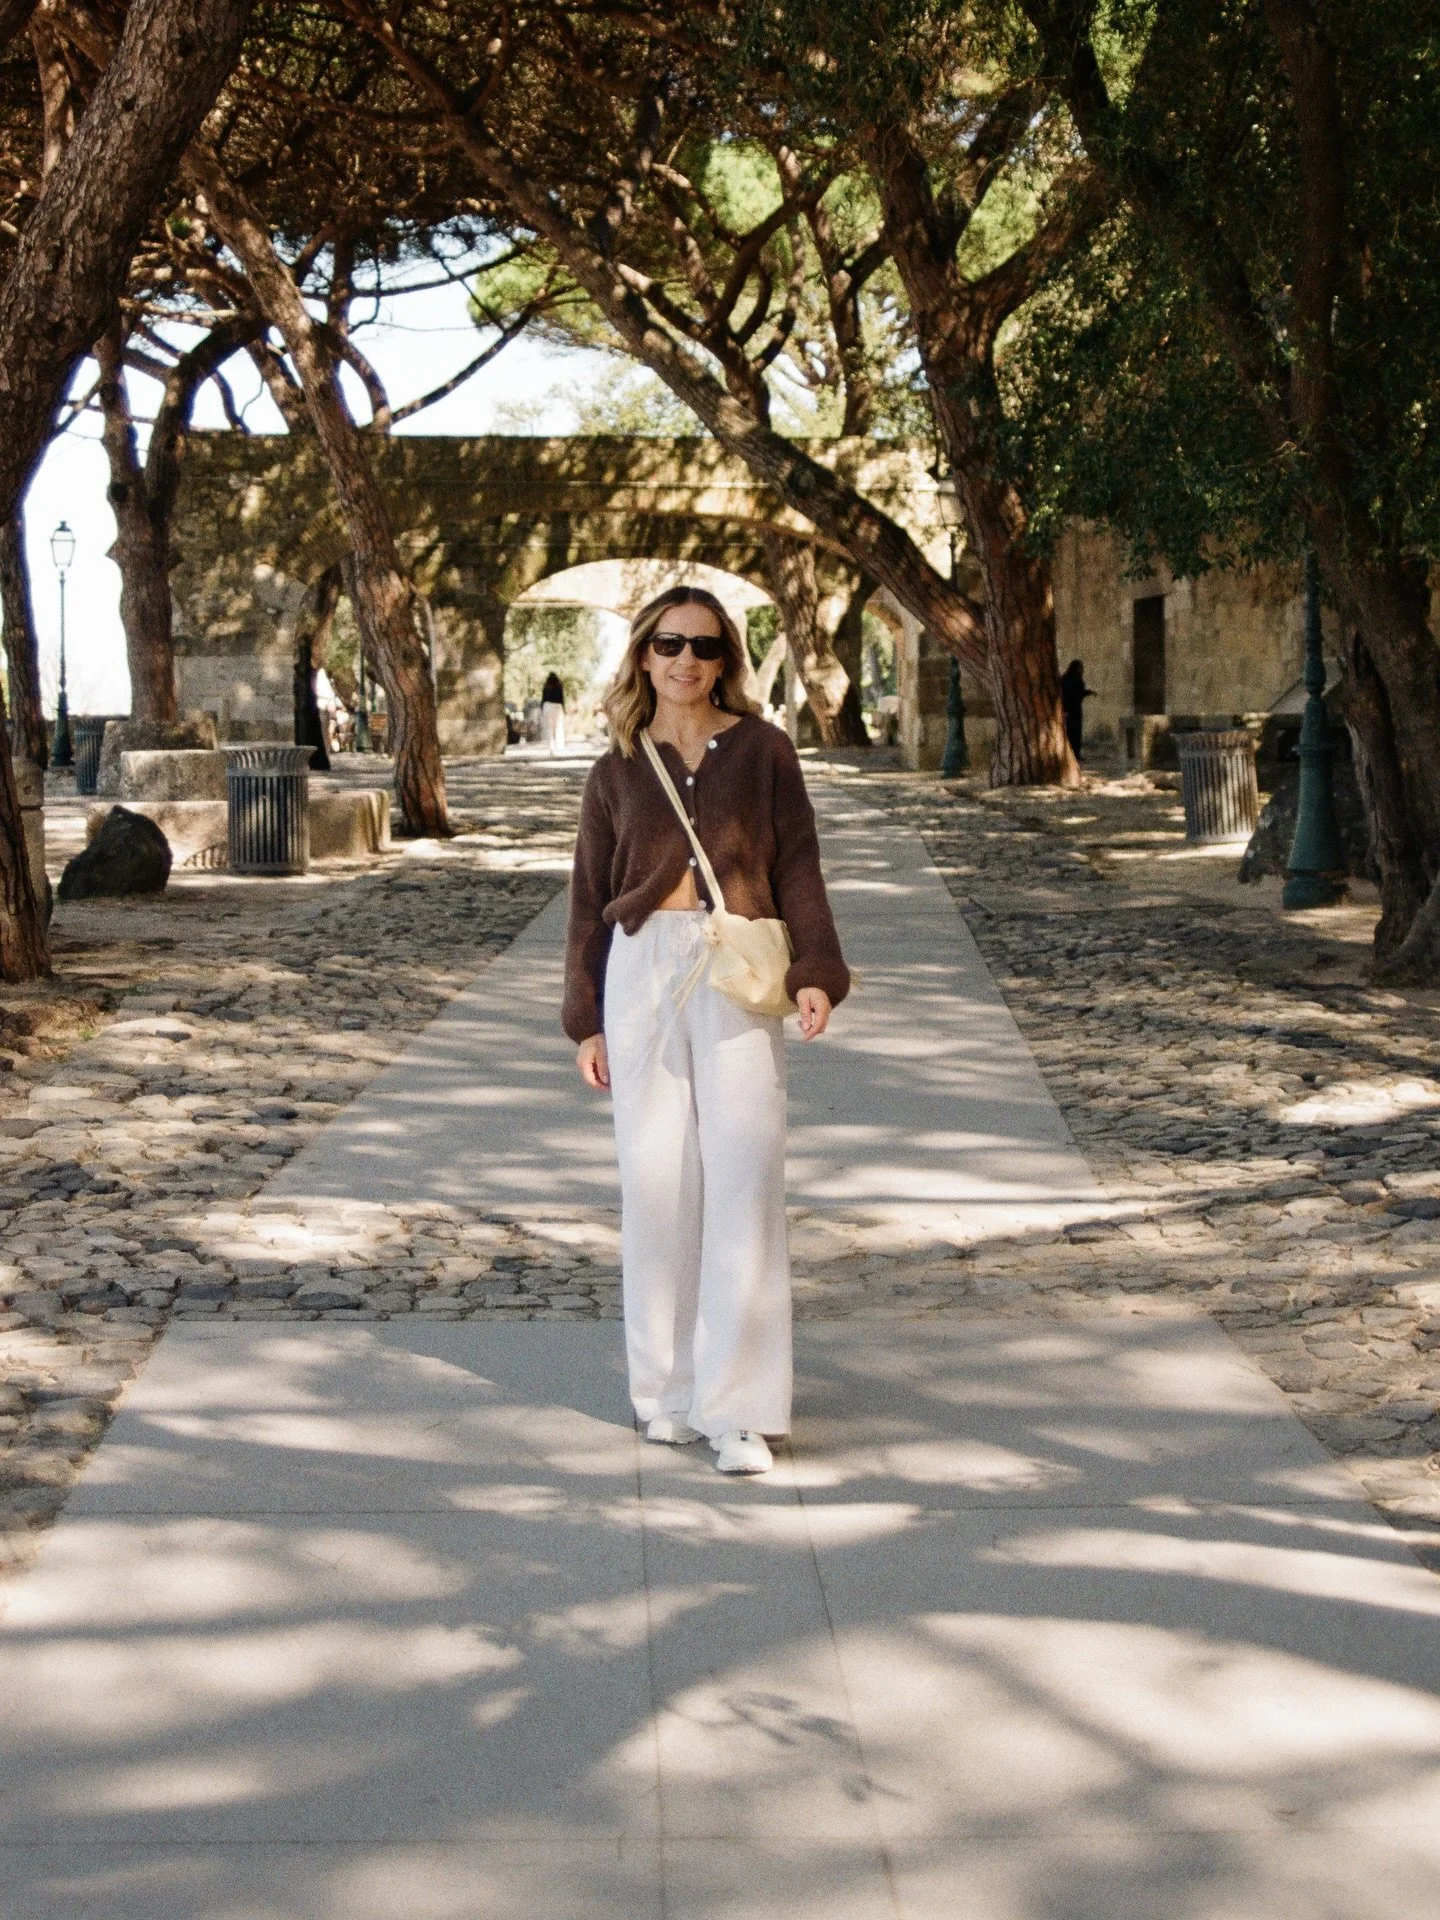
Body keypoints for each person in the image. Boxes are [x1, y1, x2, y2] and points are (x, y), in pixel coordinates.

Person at [563, 585, 850, 1476]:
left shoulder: (765, 751)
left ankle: (742, 1410)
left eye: (705, 645)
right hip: (641, 971)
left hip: (735, 970)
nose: (686, 660)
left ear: (727, 658)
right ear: (643, 656)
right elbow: (586, 897)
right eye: (668, 643)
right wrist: (585, 1018)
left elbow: (797, 859)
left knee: (743, 1179)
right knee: (656, 1185)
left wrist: (816, 972)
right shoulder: (617, 764)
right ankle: (667, 1389)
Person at [1059, 657, 1094, 762]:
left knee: (1076, 733)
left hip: (1076, 710)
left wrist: (1088, 692)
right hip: (1069, 710)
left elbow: (1078, 693)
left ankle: (1076, 754)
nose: (1082, 670)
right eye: (1080, 668)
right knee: (1070, 733)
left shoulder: (1075, 679)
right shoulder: (1067, 680)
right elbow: (1067, 695)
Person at [541, 670, 567, 755]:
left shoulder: (546, 686)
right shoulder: (559, 685)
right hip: (557, 707)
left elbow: (543, 698)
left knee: (549, 728)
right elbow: (562, 699)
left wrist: (542, 709)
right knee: (558, 727)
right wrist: (564, 709)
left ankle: (551, 747)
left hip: (547, 706)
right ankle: (559, 746)